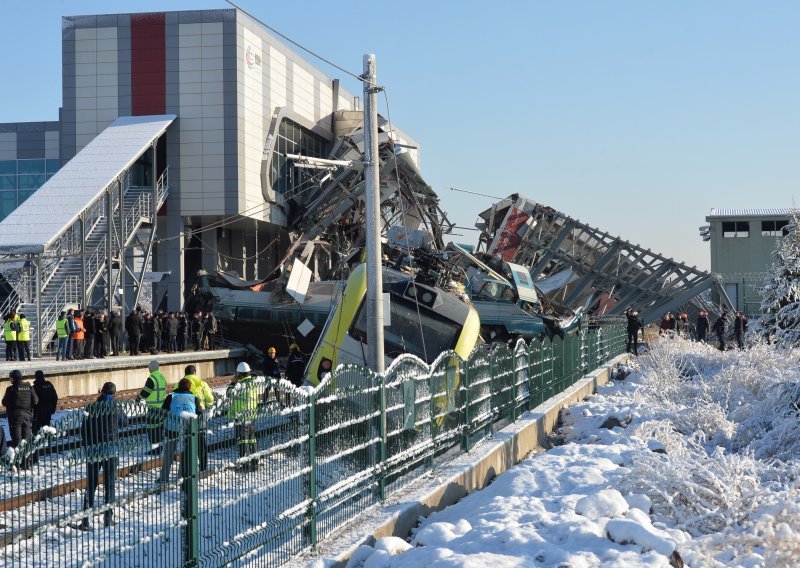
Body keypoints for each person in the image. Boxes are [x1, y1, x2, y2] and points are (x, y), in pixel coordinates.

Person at [81, 382, 126, 529]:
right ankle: (108, 518)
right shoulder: (116, 407)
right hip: (111, 450)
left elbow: (83, 430)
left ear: (101, 392)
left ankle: (86, 521)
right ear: (114, 394)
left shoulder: (91, 407)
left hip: (94, 450)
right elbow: (124, 423)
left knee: (91, 485)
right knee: (109, 485)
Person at [159, 378, 203, 484]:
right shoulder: (194, 398)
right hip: (188, 429)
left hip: (172, 428)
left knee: (168, 453)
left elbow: (163, 411)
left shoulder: (171, 396)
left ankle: (164, 478)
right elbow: (200, 413)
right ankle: (181, 476)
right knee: (185, 453)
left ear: (178, 386)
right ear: (189, 387)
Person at [176, 365, 214, 471]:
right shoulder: (202, 383)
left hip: (185, 418)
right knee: (201, 443)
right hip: (200, 417)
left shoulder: (180, 383)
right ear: (195, 373)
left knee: (187, 443)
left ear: (185, 373)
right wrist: (206, 408)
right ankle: (203, 467)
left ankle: (188, 467)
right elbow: (210, 399)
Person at [2, 370, 38, 469]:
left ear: (13, 378)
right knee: (26, 440)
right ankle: (27, 463)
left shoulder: (10, 389)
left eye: (10, 378)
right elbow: (35, 401)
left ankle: (17, 463)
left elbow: (5, 402)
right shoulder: (29, 387)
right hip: (27, 416)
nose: (10, 379)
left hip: (15, 417)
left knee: (17, 441)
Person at [227, 362, 259, 472]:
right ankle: (255, 463)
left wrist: (232, 383)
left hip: (242, 416)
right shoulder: (253, 383)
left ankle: (245, 465)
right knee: (251, 440)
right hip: (251, 415)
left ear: (239, 374)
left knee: (242, 441)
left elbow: (229, 393)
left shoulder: (241, 385)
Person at [139, 360, 167, 454]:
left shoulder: (152, 378)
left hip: (153, 408)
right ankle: (160, 447)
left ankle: (156, 449)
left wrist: (138, 398)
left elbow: (146, 391)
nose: (148, 369)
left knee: (152, 428)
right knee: (159, 427)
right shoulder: (162, 377)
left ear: (151, 368)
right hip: (161, 406)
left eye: (149, 367)